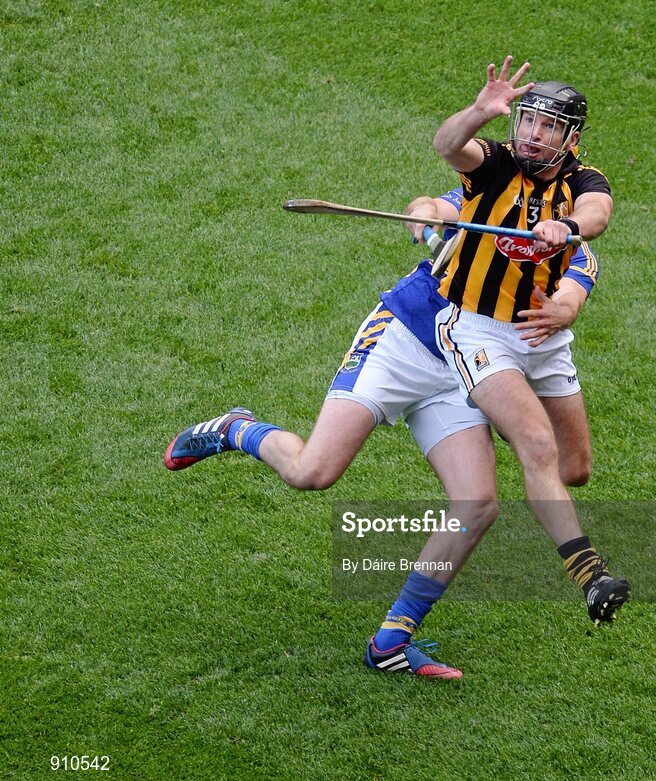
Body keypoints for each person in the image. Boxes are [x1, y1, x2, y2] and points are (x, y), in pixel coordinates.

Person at [163, 188, 600, 678]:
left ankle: (391, 640)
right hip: (404, 339)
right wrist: (424, 223)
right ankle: (236, 429)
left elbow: (571, 291)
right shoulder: (494, 194)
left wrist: (562, 310)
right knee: (314, 472)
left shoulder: (575, 251)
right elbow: (429, 205)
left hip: (463, 365)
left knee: (476, 504)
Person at [433, 54, 631, 625]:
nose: (532, 134)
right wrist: (476, 112)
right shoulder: (493, 164)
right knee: (537, 448)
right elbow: (448, 146)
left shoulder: (581, 181)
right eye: (526, 121)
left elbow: (598, 213)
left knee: (573, 468)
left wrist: (564, 228)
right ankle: (591, 576)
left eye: (547, 126)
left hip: (541, 336)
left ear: (570, 138)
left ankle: (490, 418)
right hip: (477, 328)